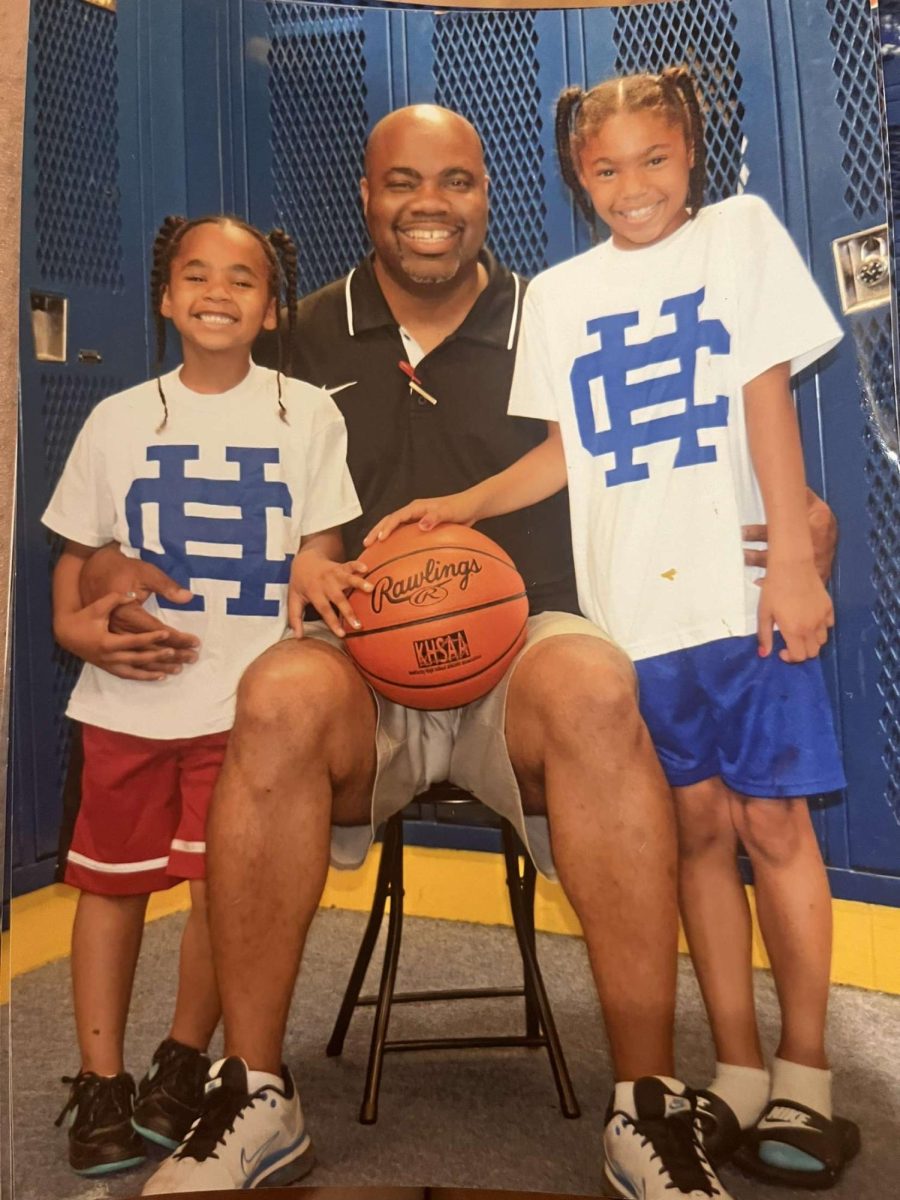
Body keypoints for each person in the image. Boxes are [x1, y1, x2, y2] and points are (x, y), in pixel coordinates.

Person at [78, 106, 834, 1199]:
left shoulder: (562, 309)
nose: (429, 205)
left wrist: (803, 513)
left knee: (594, 678)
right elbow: (189, 452)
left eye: (455, 182)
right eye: (401, 182)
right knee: (277, 691)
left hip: (520, 647)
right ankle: (256, 1092)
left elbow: (687, 416)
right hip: (358, 659)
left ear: (491, 193)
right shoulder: (297, 331)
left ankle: (648, 1104)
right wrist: (103, 567)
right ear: (367, 197)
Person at [367, 75, 859, 1194]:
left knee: (774, 825)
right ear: (575, 177)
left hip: (741, 603)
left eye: (655, 159)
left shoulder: (737, 234)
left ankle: (809, 1071)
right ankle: (733, 1065)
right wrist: (463, 506)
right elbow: (565, 454)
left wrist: (792, 554)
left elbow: (767, 395)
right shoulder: (562, 295)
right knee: (691, 832)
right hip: (633, 617)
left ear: (692, 154)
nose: (634, 186)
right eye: (607, 167)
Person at [43, 214, 361, 1180]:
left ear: (271, 309)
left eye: (243, 280)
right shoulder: (118, 418)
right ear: (167, 298)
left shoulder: (307, 413)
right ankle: (100, 1080)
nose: (218, 291)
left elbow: (325, 538)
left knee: (227, 893)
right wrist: (70, 628)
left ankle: (184, 1060)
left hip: (242, 702)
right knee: (109, 888)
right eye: (196, 275)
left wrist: (316, 568)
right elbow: (74, 561)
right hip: (129, 701)